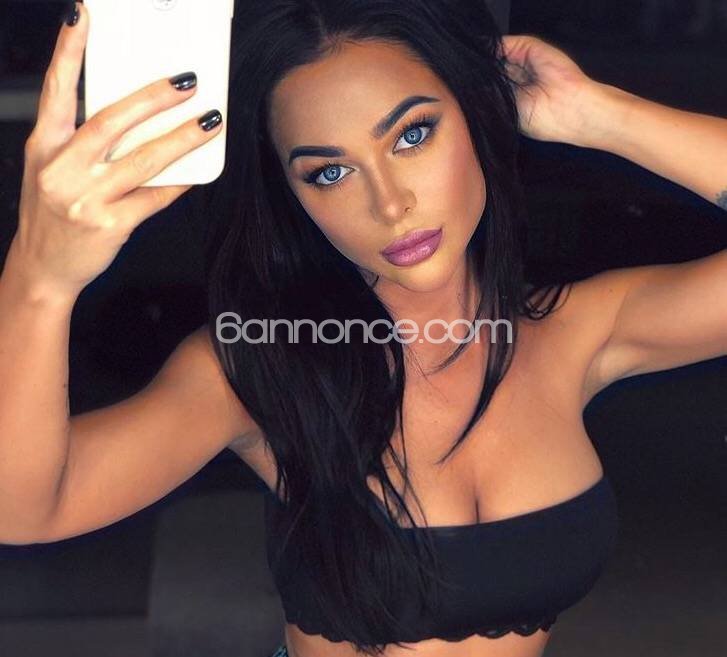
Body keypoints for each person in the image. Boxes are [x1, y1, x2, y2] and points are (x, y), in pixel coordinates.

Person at [0, 1, 725, 657]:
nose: (390, 203)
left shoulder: (580, 332)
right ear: (294, 196)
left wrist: (595, 113)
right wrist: (40, 279)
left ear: (476, 114)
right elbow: (26, 510)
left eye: (413, 135)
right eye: (329, 173)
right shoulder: (257, 368)